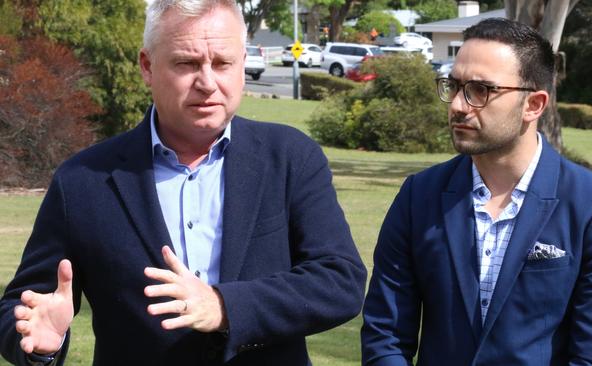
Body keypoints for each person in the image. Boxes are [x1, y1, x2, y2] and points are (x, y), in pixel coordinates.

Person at [0, 1, 366, 365]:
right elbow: (22, 307)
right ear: (147, 66)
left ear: (242, 62)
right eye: (187, 63)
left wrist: (224, 306)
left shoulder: (290, 158)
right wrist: (39, 341)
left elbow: (340, 282)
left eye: (222, 63)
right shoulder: (83, 180)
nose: (207, 82)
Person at [361, 18, 592, 366]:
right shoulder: (420, 196)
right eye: (454, 85)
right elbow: (384, 337)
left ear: (534, 105)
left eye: (481, 90)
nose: (458, 105)